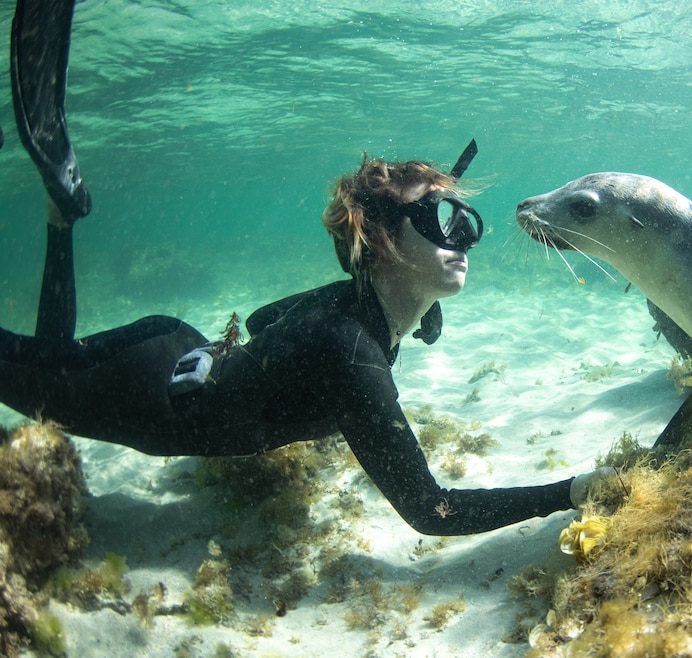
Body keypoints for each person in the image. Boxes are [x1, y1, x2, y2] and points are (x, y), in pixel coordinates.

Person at [0, 0, 609, 535]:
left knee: (50, 362)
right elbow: (432, 511)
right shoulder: (354, 356)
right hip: (146, 398)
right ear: (384, 245)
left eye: (457, 217)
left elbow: (266, 318)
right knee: (35, 380)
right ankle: (61, 217)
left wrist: (424, 310)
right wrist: (571, 491)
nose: (458, 238)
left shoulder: (361, 307)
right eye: (431, 219)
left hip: (174, 348)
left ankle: (61, 217)